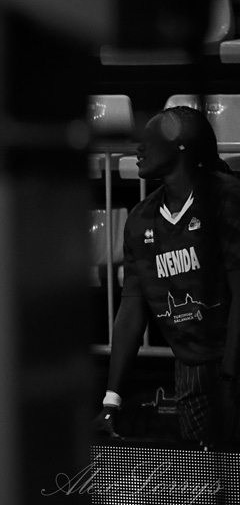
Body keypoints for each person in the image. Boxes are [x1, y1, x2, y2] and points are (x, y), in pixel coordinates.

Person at [96, 106, 240, 446]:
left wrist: (230, 380)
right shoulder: (141, 219)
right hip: (191, 369)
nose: (138, 148)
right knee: (203, 472)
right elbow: (132, 311)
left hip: (233, 359)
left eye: (149, 140)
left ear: (181, 146)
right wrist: (111, 401)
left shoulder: (227, 199)